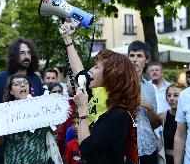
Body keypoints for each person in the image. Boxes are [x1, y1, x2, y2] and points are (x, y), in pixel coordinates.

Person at [60, 21, 140, 163]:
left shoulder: (118, 114)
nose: (90, 70)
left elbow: (86, 150)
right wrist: (67, 39)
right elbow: (78, 71)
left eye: (96, 67)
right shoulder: (95, 90)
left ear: (111, 76)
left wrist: (83, 108)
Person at [0, 38, 44, 163]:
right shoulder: (1, 78)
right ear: (14, 55)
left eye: (29, 53)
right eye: (22, 53)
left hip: (32, 148)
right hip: (4, 144)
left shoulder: (36, 79)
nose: (26, 56)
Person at [0, 74, 51, 164]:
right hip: (14, 159)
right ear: (11, 91)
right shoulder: (3, 112)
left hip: (40, 160)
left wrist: (61, 114)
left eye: (25, 83)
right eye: (17, 84)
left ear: (29, 88)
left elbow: (54, 131)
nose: (22, 85)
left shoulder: (42, 108)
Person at [127, 40, 161, 164]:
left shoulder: (150, 88)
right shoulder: (118, 84)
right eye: (132, 55)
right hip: (126, 151)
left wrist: (150, 108)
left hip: (149, 148)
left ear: (147, 60)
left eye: (139, 56)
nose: (134, 59)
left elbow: (156, 124)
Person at [159, 82, 186, 164]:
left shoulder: (188, 117)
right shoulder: (163, 116)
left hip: (186, 159)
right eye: (169, 95)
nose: (171, 98)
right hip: (166, 159)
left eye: (176, 95)